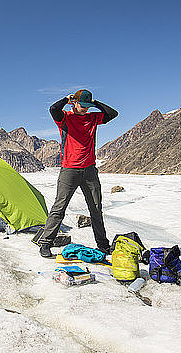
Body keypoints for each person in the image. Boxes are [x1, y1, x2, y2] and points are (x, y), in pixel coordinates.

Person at [39, 89, 118, 258]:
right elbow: (53, 109)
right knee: (59, 208)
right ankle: (45, 243)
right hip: (69, 170)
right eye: (83, 105)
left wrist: (94, 103)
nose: (85, 109)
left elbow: (113, 113)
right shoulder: (65, 118)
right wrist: (66, 99)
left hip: (90, 170)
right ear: (74, 103)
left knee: (96, 209)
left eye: (88, 106)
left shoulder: (93, 118)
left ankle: (103, 245)